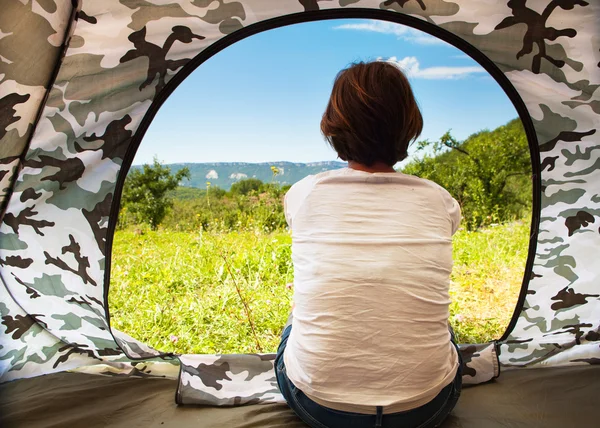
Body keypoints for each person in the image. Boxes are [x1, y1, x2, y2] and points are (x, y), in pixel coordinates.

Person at [275, 61, 463, 428]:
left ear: (334, 125)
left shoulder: (304, 194)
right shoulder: (440, 201)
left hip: (320, 406)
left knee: (295, 316)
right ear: (409, 125)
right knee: (445, 328)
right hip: (426, 407)